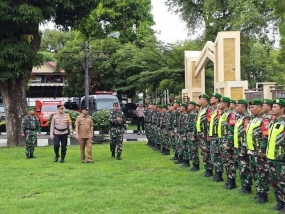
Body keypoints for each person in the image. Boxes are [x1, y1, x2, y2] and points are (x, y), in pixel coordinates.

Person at [245, 98, 270, 203]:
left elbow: (266, 136)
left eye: (252, 107)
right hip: (251, 150)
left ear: (259, 107)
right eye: (250, 107)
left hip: (259, 152)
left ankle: (263, 196)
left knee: (262, 174)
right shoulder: (253, 119)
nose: (250, 109)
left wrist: (262, 150)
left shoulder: (265, 120)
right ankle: (259, 192)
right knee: (255, 173)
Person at [266, 99, 285, 211]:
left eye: (275, 107)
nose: (272, 108)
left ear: (282, 109)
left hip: (281, 158)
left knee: (283, 182)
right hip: (271, 156)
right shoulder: (273, 121)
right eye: (272, 106)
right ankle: (279, 202)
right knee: (275, 182)